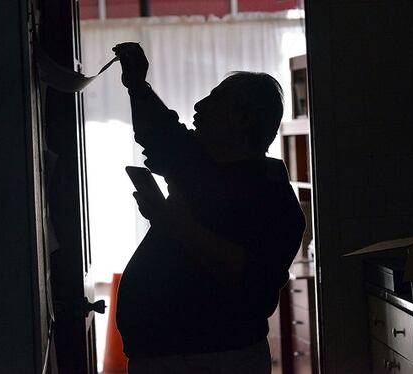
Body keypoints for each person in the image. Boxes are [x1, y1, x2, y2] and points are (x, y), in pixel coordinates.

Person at [112, 42, 306, 374]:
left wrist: (178, 228)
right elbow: (159, 133)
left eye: (216, 100)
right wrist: (136, 83)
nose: (199, 106)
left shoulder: (272, 199)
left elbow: (254, 283)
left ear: (242, 120)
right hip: (163, 355)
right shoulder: (199, 162)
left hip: (217, 359)